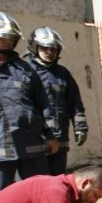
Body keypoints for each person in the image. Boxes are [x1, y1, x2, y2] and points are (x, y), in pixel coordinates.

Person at [0, 11, 58, 196]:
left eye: (11, 38)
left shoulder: (24, 68)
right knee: (0, 198)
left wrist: (50, 135)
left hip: (30, 143)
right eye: (2, 37)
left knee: (41, 192)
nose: (7, 41)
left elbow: (42, 104)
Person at [25, 27, 89, 176]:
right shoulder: (25, 70)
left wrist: (80, 127)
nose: (49, 52)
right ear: (35, 47)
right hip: (34, 138)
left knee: (57, 178)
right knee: (37, 181)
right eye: (45, 48)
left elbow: (75, 102)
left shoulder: (63, 73)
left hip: (60, 136)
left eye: (53, 49)